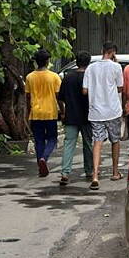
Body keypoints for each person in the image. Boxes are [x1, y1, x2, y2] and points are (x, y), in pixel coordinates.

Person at [82, 42, 124, 190]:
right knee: (115, 140)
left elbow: (85, 91)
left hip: (95, 112)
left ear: (102, 51)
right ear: (113, 53)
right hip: (112, 111)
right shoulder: (116, 67)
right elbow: (120, 88)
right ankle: (115, 172)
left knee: (97, 142)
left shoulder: (90, 68)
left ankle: (95, 175)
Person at [57, 51, 93, 185]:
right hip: (88, 116)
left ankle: (65, 172)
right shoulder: (89, 77)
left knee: (69, 143)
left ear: (76, 62)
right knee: (88, 144)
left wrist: (63, 112)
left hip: (71, 115)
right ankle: (89, 170)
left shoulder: (68, 77)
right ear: (88, 63)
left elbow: (60, 98)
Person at [25, 49, 62, 177]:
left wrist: (28, 113)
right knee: (52, 139)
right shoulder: (54, 77)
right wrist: (62, 111)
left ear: (36, 62)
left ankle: (40, 165)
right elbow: (59, 96)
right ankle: (44, 158)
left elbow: (28, 97)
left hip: (35, 113)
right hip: (50, 112)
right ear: (47, 61)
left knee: (39, 141)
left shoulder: (29, 77)